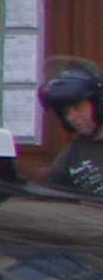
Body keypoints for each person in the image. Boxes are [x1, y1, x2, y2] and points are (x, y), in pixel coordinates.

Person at [40, 61, 103, 197]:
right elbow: (52, 203)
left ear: (98, 104)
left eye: (78, 107)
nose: (72, 117)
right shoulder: (69, 158)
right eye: (67, 112)